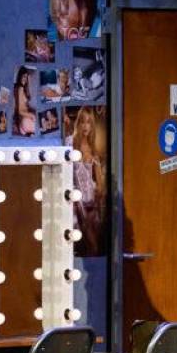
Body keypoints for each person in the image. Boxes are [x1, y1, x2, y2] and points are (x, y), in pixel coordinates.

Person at [64, 106, 106, 256]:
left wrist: (99, 199)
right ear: (78, 124)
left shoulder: (93, 149)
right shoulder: (70, 144)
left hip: (90, 200)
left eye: (89, 122)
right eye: (82, 122)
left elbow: (99, 182)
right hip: (75, 199)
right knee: (79, 242)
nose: (86, 126)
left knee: (93, 243)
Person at [13, 66, 36, 136]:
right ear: (20, 76)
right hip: (23, 120)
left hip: (24, 122)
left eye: (26, 77)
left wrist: (32, 112)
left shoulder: (22, 88)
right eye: (23, 77)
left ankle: (29, 134)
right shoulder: (20, 89)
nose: (25, 79)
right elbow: (19, 111)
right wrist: (32, 115)